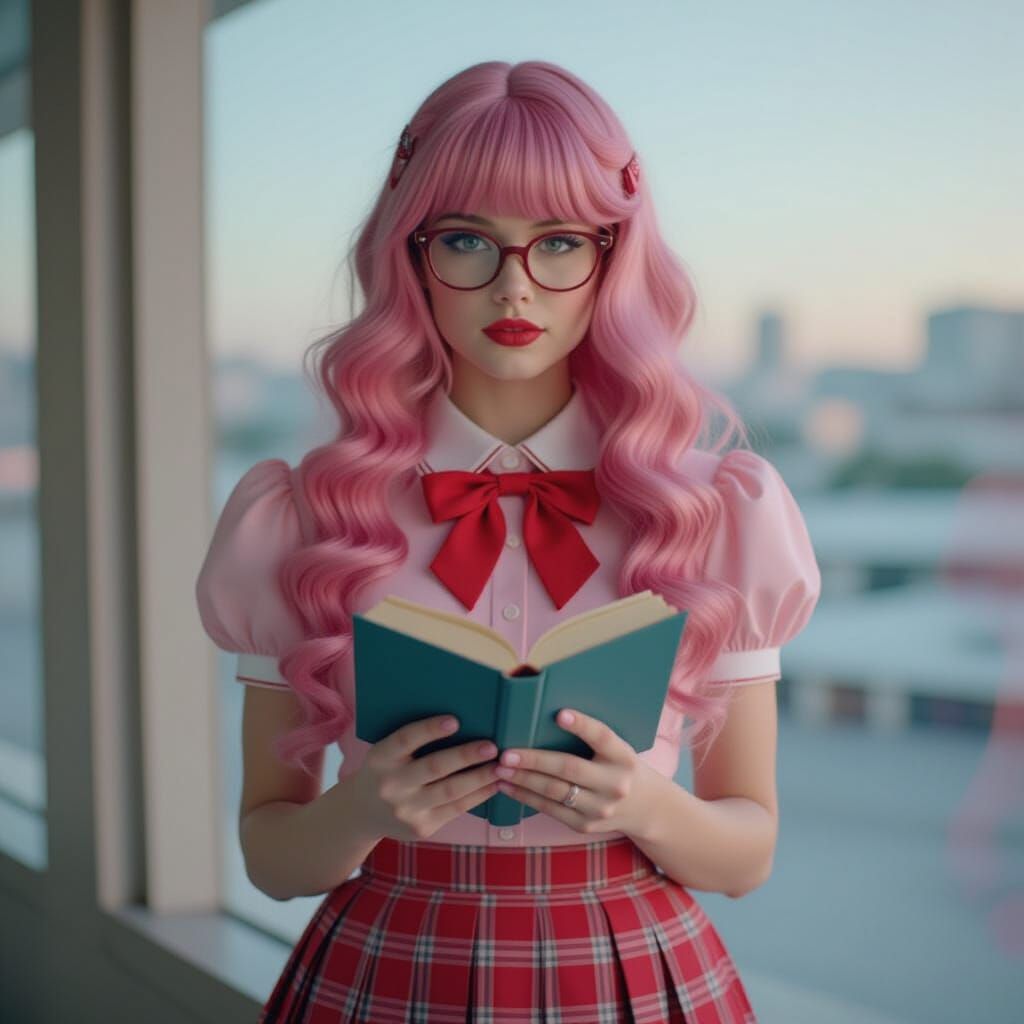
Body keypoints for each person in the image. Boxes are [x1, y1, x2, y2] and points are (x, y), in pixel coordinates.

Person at [195, 59, 821, 1023]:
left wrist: (643, 806)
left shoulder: (715, 512)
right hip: (392, 964)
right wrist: (363, 811)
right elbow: (271, 859)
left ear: (613, 257)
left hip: (630, 965)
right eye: (465, 241)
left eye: (560, 243)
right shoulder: (304, 517)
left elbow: (749, 854)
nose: (513, 287)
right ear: (410, 257)